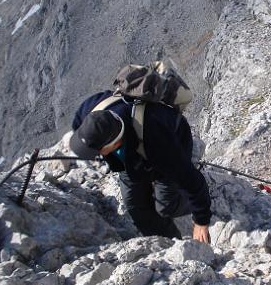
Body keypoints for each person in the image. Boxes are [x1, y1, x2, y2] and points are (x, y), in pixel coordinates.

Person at [70, 91, 212, 243]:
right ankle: (167, 244)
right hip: (131, 156)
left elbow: (192, 181)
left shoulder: (158, 142)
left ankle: (206, 196)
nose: (94, 156)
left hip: (172, 140)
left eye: (97, 151)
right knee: (135, 207)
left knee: (167, 206)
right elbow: (77, 124)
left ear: (115, 144)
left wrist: (201, 221)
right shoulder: (91, 111)